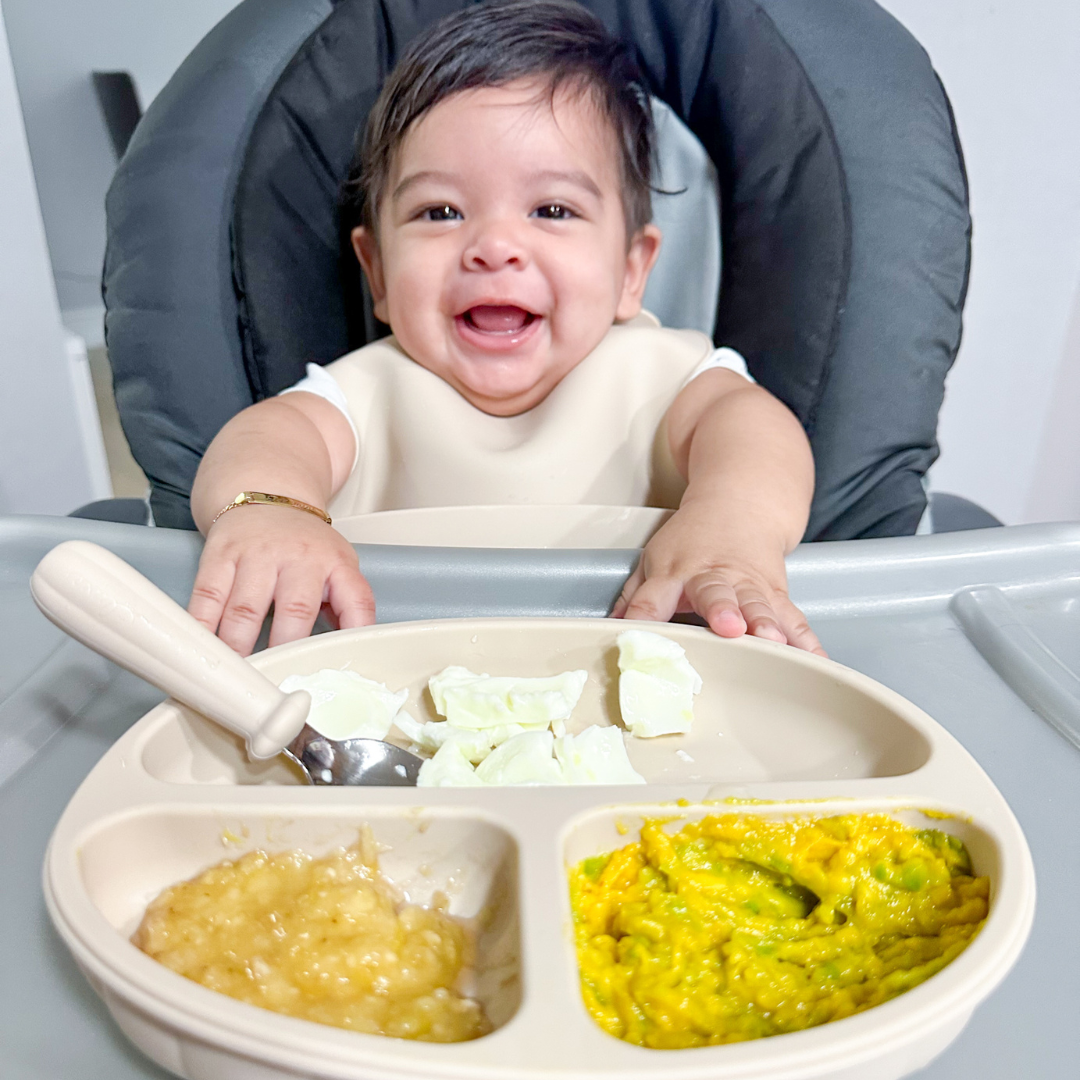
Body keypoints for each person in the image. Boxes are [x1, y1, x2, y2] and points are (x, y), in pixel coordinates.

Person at [187, 0, 823, 658]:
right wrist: (272, 509)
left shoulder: (664, 377)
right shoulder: (366, 393)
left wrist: (733, 522)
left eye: (552, 209)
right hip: (403, 687)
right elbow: (267, 438)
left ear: (632, 271)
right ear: (376, 272)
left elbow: (753, 431)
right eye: (440, 212)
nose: (494, 246)